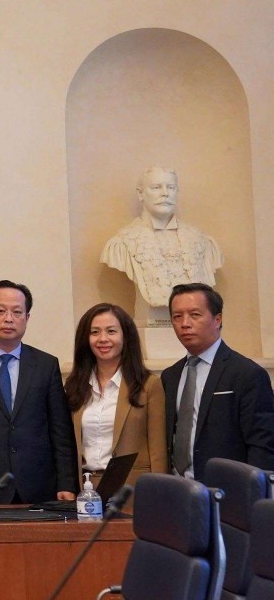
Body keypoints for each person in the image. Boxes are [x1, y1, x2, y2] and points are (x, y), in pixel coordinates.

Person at [0, 280, 78, 504]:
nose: (9, 318)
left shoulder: (46, 365)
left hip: (39, 485)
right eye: (0, 311)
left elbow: (61, 432)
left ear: (27, 318)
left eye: (17, 312)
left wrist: (66, 482)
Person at [163, 283, 274, 481]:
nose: (184, 324)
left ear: (217, 319)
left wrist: (254, 493)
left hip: (229, 491)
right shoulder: (170, 376)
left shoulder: (246, 374)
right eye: (177, 316)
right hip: (178, 490)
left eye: (195, 315)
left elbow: (262, 446)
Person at [64, 303, 167, 492]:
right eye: (95, 332)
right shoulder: (74, 386)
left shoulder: (149, 385)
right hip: (86, 490)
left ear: (125, 336)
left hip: (133, 489)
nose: (103, 339)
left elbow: (158, 450)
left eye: (111, 331)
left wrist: (158, 494)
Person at [100, 167, 224, 307]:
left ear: (177, 192)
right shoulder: (121, 243)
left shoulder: (203, 242)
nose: (165, 193)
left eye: (170, 187)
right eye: (156, 187)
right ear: (141, 194)